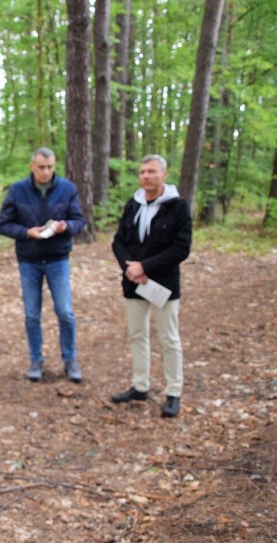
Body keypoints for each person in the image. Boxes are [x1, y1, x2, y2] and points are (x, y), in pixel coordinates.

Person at [110, 154, 191, 418]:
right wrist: (130, 267)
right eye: (143, 171)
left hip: (163, 284)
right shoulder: (132, 205)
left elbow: (181, 248)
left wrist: (145, 267)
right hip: (133, 283)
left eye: (152, 171)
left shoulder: (177, 207)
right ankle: (140, 386)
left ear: (164, 175)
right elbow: (118, 241)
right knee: (137, 335)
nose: (146, 176)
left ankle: (173, 392)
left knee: (169, 338)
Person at [0, 147, 84, 383]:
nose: (46, 172)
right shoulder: (17, 190)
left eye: (50, 167)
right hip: (29, 260)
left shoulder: (67, 189)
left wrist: (65, 227)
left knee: (65, 312)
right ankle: (36, 360)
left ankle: (70, 360)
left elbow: (79, 222)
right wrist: (27, 232)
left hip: (58, 259)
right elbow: (3, 224)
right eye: (41, 167)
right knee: (32, 315)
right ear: (32, 166)